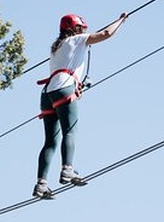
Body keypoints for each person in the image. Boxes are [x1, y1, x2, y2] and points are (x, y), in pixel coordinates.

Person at [33, 12, 128, 199]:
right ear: (73, 29)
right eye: (81, 28)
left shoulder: (57, 47)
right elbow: (106, 34)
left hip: (48, 92)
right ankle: (67, 169)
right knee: (70, 131)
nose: (84, 31)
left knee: (50, 142)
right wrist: (120, 21)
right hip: (64, 87)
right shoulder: (77, 40)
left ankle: (41, 184)